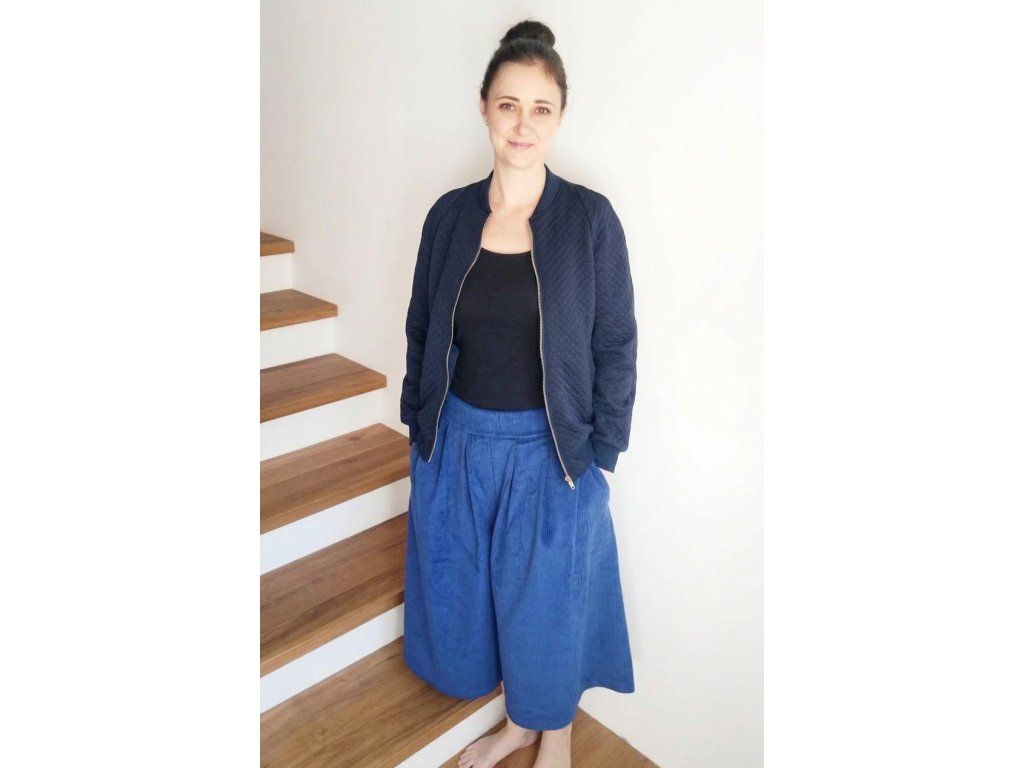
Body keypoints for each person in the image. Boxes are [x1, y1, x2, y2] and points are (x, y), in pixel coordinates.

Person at [400, 19, 638, 768]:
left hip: (551, 452)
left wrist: (602, 452)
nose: (523, 124)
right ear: (484, 109)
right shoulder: (450, 216)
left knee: (547, 610)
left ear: (559, 116)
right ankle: (518, 723)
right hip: (458, 443)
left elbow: (616, 342)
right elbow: (420, 324)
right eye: (509, 105)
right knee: (474, 598)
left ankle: (552, 737)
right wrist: (418, 423)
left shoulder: (589, 220)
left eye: (541, 108)